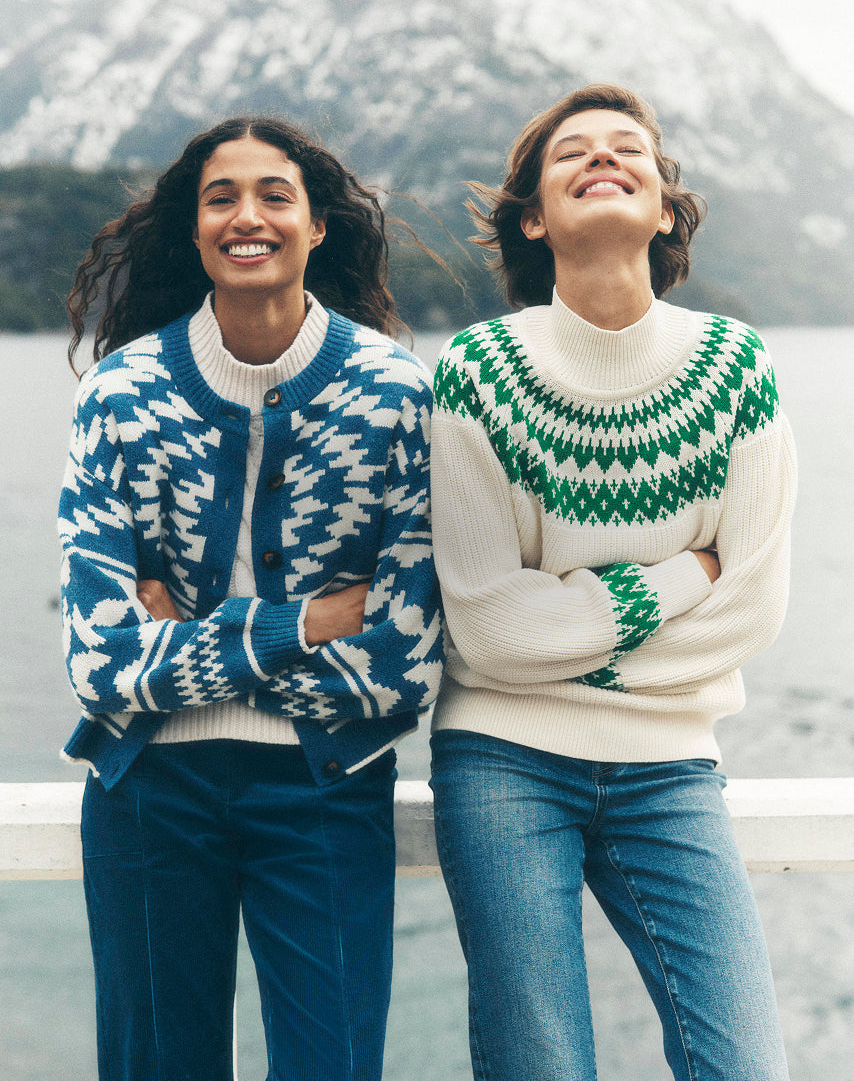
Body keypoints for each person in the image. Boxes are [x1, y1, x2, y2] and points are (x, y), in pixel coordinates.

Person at [58, 116, 445, 1081]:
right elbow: (101, 666)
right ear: (194, 231)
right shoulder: (118, 396)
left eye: (276, 194)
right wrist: (305, 622)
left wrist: (184, 641)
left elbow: (401, 667)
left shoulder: (397, 395)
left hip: (325, 785)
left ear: (317, 227)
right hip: (150, 789)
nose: (248, 215)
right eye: (221, 196)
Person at [428, 84, 795, 1080]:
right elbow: (489, 627)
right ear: (534, 218)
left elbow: (752, 607)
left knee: (744, 1064)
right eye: (570, 152)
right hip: (502, 760)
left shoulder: (733, 365)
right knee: (539, 1061)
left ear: (664, 207)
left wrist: (568, 640)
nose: (602, 156)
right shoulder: (475, 368)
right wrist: (685, 571)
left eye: (627, 147)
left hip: (670, 768)